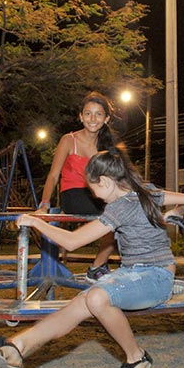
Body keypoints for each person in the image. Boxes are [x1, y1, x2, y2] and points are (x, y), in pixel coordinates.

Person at [0, 146, 184, 368]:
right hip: (133, 274)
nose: (94, 195)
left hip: (155, 276)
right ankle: (18, 347)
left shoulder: (120, 207)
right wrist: (175, 213)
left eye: (93, 189)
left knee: (96, 298)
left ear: (105, 182)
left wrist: (36, 221)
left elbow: (72, 242)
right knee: (81, 303)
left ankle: (137, 358)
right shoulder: (147, 191)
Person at [36, 91, 120, 281]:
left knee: (122, 214)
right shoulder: (69, 140)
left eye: (98, 114)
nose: (93, 119)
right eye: (88, 113)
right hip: (73, 194)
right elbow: (53, 174)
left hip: (99, 195)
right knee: (114, 215)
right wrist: (45, 203)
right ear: (81, 117)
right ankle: (97, 267)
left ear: (106, 119)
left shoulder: (106, 146)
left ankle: (98, 266)